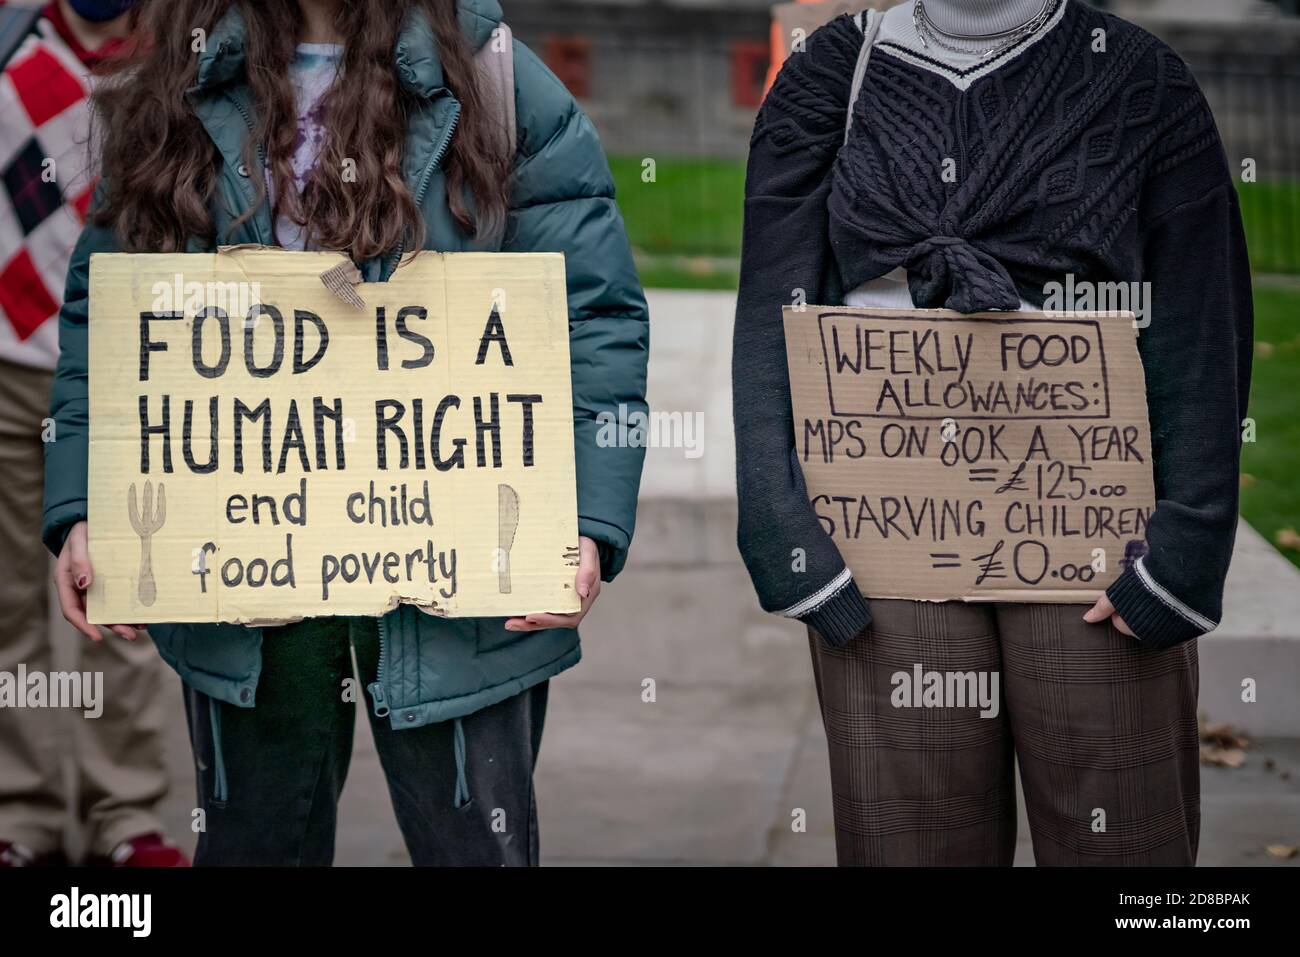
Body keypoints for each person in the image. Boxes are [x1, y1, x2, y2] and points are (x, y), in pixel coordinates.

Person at [43, 0, 649, 866]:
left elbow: (596, 316)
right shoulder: (184, 79)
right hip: (244, 571)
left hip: (458, 580)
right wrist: (84, 502)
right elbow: (107, 318)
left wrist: (590, 521)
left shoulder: (496, 80)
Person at [733, 0, 1251, 865]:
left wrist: (1185, 549)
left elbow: (1201, 320)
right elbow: (770, 312)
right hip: (883, 540)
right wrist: (784, 532)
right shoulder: (831, 71)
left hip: (1096, 542)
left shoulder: (1138, 78)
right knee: (914, 846)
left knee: (1124, 855)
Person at [0, 0, 188, 868]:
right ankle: (22, 814)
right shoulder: (11, 41)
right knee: (8, 613)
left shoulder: (173, 57)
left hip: (120, 372)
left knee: (119, 598)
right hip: (6, 367)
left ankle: (130, 816)